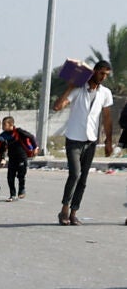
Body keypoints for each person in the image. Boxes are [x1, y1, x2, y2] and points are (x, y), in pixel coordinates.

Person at [53, 60, 114, 226]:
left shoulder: (105, 93)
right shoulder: (78, 90)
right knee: (75, 174)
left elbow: (107, 118)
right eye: (101, 73)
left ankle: (74, 212)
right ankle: (64, 210)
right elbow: (57, 107)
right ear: (93, 71)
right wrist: (70, 86)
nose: (103, 77)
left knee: (83, 179)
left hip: (91, 141)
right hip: (74, 139)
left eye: (106, 75)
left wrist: (108, 141)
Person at [0, 116, 35, 201]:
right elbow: (2, 148)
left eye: (4, 124)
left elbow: (31, 136)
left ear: (11, 124)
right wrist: (2, 158)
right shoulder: (3, 135)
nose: (2, 126)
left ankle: (21, 190)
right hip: (12, 158)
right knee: (10, 177)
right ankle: (12, 195)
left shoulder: (19, 131)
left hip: (22, 157)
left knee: (21, 175)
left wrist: (35, 147)